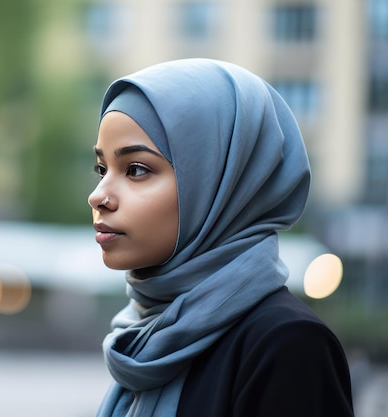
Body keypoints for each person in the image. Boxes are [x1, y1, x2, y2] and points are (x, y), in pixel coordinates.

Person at [87, 58, 354, 417]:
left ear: (219, 184)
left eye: (136, 169)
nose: (98, 196)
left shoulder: (287, 346)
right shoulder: (141, 336)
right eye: (102, 169)